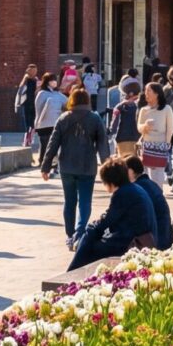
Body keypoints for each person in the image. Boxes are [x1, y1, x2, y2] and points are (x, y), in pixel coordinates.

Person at [41, 88, 111, 245]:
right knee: (85, 201)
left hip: (67, 166)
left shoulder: (63, 118)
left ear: (71, 100)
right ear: (87, 101)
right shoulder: (95, 118)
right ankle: (79, 234)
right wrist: (107, 164)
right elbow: (102, 144)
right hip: (87, 166)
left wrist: (46, 166)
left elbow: (53, 144)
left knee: (69, 201)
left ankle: (69, 234)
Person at [67, 159, 154, 270]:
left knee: (89, 239)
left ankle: (72, 273)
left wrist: (91, 228)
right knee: (90, 235)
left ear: (110, 181)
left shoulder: (123, 193)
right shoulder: (133, 188)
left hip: (131, 242)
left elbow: (107, 221)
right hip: (140, 237)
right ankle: (72, 272)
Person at [121, 152, 173, 250]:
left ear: (131, 171)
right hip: (164, 237)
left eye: (123, 171)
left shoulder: (138, 188)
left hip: (155, 242)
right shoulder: (150, 184)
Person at [135, 81, 173, 187]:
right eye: (145, 91)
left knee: (157, 179)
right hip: (146, 147)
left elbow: (170, 129)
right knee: (145, 177)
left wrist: (167, 144)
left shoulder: (167, 109)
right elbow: (139, 128)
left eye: (149, 91)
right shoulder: (143, 110)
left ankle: (157, 199)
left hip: (160, 147)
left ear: (157, 93)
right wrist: (145, 126)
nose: (146, 93)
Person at [33, 72, 65, 158]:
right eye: (52, 80)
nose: (54, 82)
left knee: (53, 145)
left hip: (55, 123)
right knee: (44, 144)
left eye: (55, 80)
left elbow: (67, 103)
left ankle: (51, 162)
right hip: (43, 124)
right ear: (47, 81)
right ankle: (42, 160)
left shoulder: (58, 94)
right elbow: (38, 110)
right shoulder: (42, 94)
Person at [110, 79, 143, 160]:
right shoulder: (142, 106)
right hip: (138, 139)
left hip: (123, 139)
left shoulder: (120, 107)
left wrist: (112, 132)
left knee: (124, 165)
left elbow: (114, 126)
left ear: (129, 93)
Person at [15, 65, 39, 147]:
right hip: (26, 103)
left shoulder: (36, 80)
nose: (34, 73)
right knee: (27, 123)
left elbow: (38, 91)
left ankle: (29, 139)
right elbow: (20, 89)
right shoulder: (26, 79)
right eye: (32, 71)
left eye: (35, 71)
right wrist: (25, 78)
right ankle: (27, 140)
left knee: (32, 123)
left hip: (34, 103)